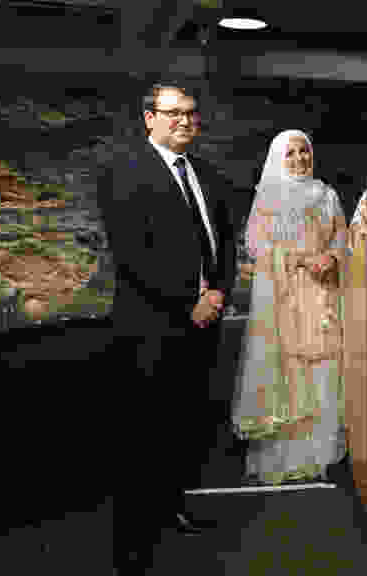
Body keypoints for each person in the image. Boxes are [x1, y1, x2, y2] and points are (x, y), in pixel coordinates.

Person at [99, 82, 237, 573]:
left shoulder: (208, 174)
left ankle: (170, 509)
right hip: (151, 330)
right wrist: (189, 302)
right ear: (149, 118)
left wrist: (218, 292)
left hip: (203, 327)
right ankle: (132, 546)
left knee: (184, 428)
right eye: (173, 112)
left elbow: (225, 242)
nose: (184, 120)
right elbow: (133, 255)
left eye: (191, 113)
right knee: (143, 439)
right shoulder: (123, 172)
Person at [232, 130, 348, 485]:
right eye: (291, 153)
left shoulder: (327, 195)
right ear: (278, 159)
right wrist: (299, 259)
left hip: (323, 295)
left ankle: (321, 455)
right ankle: (286, 457)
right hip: (283, 299)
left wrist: (331, 257)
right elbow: (256, 246)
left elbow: (342, 237)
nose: (300, 158)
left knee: (324, 369)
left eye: (304, 151)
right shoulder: (268, 197)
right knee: (289, 372)